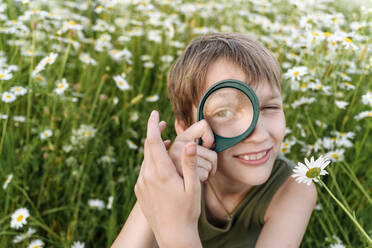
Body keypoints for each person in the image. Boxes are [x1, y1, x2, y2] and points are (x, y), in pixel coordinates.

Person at [111, 33, 317, 248]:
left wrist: (177, 229)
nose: (259, 135)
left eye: (270, 107)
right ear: (185, 127)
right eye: (224, 112)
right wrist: (162, 180)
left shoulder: (295, 187)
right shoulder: (174, 176)